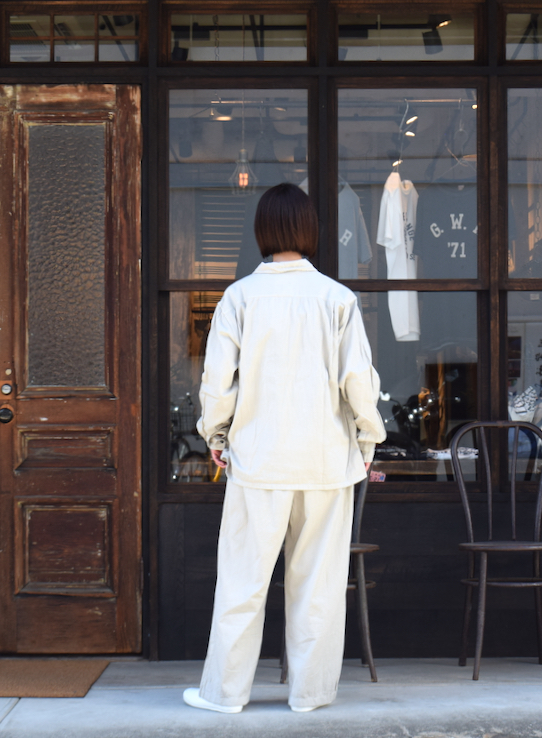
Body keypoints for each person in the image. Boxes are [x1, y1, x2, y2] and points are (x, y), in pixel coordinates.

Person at [183, 182, 386, 714]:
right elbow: (358, 381)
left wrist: (216, 434)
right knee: (318, 585)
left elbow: (216, 382)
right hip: (325, 461)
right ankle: (309, 695)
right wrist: (368, 438)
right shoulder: (337, 299)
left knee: (242, 583)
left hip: (258, 460)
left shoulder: (239, 297)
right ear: (311, 230)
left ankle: (225, 694)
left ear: (261, 232)